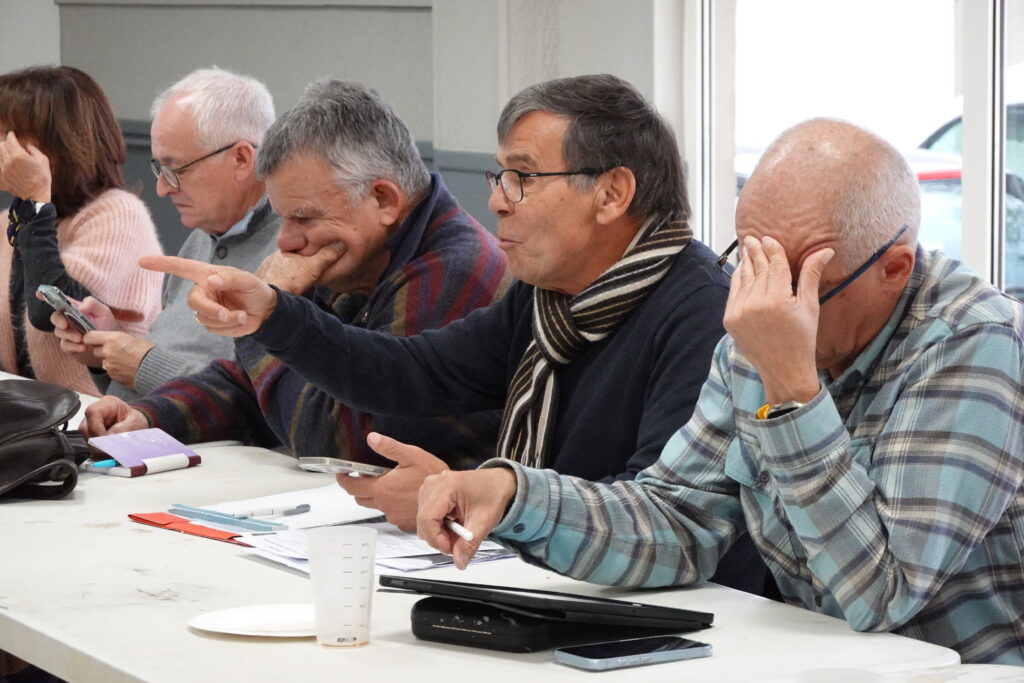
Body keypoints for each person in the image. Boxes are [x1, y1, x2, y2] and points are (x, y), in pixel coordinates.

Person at [413, 118, 1024, 665]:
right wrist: (515, 494)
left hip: (961, 669)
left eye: (794, 279)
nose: (758, 301)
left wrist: (791, 391)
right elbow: (678, 521)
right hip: (819, 662)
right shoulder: (759, 325)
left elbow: (880, 595)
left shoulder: (973, 341)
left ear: (893, 269)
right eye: (748, 261)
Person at [137, 74, 769, 597]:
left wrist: (491, 499)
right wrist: (274, 314)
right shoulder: (548, 297)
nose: (497, 202)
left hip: (691, 620)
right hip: (553, 589)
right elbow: (413, 372)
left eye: (522, 177)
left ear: (611, 193)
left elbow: (660, 521)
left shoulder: (701, 316)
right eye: (500, 177)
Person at [81, 80, 509, 471]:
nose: (285, 241)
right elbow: (252, 387)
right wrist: (151, 416)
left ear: (383, 199)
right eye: (283, 218)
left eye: (303, 217)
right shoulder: (354, 251)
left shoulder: (454, 269)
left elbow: (340, 442)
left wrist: (269, 313)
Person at [51, 67, 280, 400]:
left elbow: (258, 402)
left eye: (175, 169)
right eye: (159, 168)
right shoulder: (203, 235)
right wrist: (106, 354)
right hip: (137, 424)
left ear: (242, 159)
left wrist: (144, 364)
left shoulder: (291, 252)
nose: (162, 189)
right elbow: (160, 368)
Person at [0, 66, 163, 396]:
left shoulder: (119, 214)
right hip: (32, 410)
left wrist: (36, 198)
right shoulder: (12, 219)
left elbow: (51, 310)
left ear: (53, 143)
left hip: (103, 411)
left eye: (5, 133)